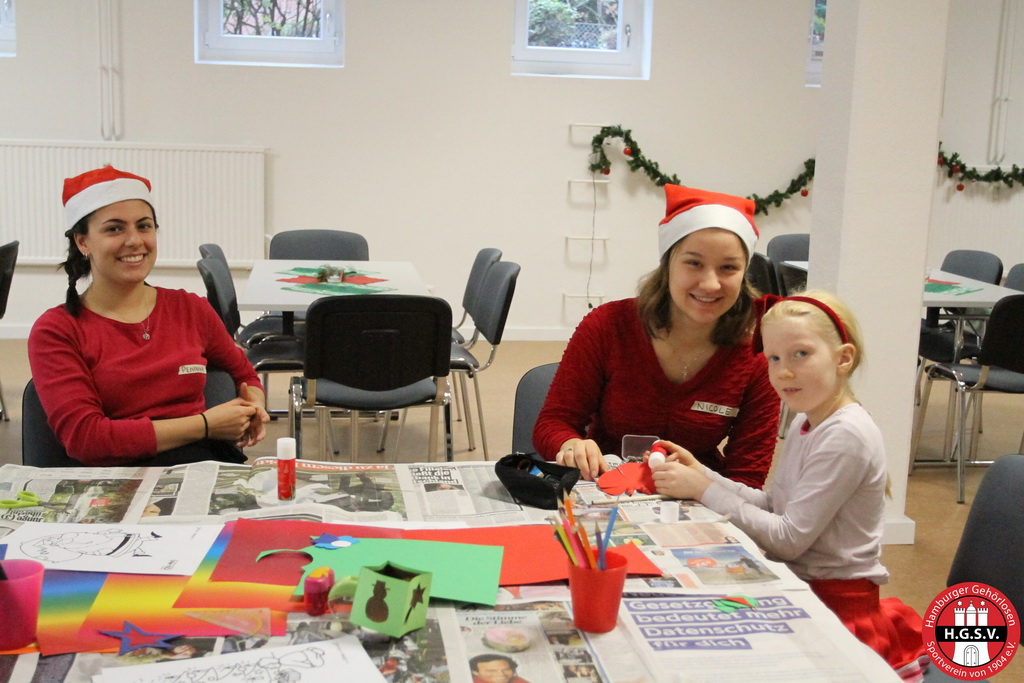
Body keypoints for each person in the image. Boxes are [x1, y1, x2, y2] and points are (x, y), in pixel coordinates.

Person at [649, 291, 927, 679]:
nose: (783, 372)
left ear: (843, 358)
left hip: (835, 610)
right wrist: (703, 474)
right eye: (774, 358)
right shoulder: (806, 419)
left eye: (801, 354)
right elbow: (773, 505)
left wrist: (702, 490)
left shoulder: (846, 435)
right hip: (803, 589)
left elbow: (787, 539)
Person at [533, 184, 780, 485]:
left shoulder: (759, 352)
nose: (710, 284)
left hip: (699, 495)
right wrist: (570, 444)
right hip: (602, 484)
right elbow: (554, 422)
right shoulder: (609, 326)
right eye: (694, 263)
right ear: (667, 264)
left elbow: (747, 476)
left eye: (728, 267)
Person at [28, 165, 270, 466]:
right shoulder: (57, 330)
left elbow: (244, 373)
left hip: (197, 466)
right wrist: (205, 425)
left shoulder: (190, 309)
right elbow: (86, 438)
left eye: (144, 226)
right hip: (113, 477)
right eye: (114, 229)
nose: (134, 241)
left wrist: (254, 404)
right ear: (82, 241)